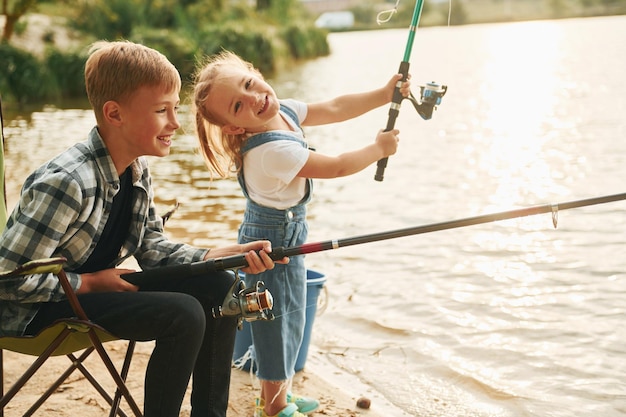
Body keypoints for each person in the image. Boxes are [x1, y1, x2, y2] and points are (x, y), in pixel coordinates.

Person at [0, 40, 287, 417]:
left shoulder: (136, 168)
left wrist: (213, 257)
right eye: (161, 110)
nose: (175, 122)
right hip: (37, 311)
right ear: (114, 114)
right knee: (183, 314)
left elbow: (152, 250)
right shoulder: (67, 182)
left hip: (93, 293)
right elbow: (8, 280)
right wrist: (90, 283)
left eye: (175, 108)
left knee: (222, 288)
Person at [191, 50, 410, 417]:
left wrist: (385, 94)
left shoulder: (282, 111)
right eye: (238, 106)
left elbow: (337, 107)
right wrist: (378, 149)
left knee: (293, 314)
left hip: (291, 231)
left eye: (249, 84)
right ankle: (274, 407)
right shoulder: (271, 152)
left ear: (255, 72)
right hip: (268, 240)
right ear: (234, 127)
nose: (255, 98)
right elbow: (337, 167)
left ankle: (277, 396)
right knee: (273, 322)